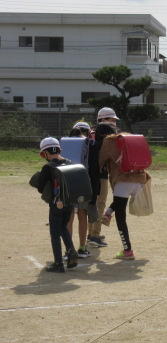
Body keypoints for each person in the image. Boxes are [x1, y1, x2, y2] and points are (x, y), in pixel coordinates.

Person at [99, 132, 151, 260]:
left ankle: (127, 251)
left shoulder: (108, 141)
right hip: (139, 180)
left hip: (122, 181)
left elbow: (100, 161)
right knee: (119, 202)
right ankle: (108, 213)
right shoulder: (130, 138)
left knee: (121, 217)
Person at [33, 137, 79, 272]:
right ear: (59, 149)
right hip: (69, 203)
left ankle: (58, 263)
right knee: (63, 227)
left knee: (54, 233)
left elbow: (41, 188)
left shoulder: (48, 167)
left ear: (46, 153)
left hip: (56, 204)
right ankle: (71, 251)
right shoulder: (70, 163)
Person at [87, 107, 119, 248]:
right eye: (112, 119)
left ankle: (90, 233)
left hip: (89, 172)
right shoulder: (106, 132)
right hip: (101, 173)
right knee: (100, 203)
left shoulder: (92, 131)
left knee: (92, 203)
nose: (114, 122)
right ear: (104, 119)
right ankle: (95, 235)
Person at [65, 121, 92, 258]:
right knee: (82, 215)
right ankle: (82, 248)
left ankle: (69, 250)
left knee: (69, 217)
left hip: (67, 182)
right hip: (82, 182)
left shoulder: (64, 143)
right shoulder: (87, 143)